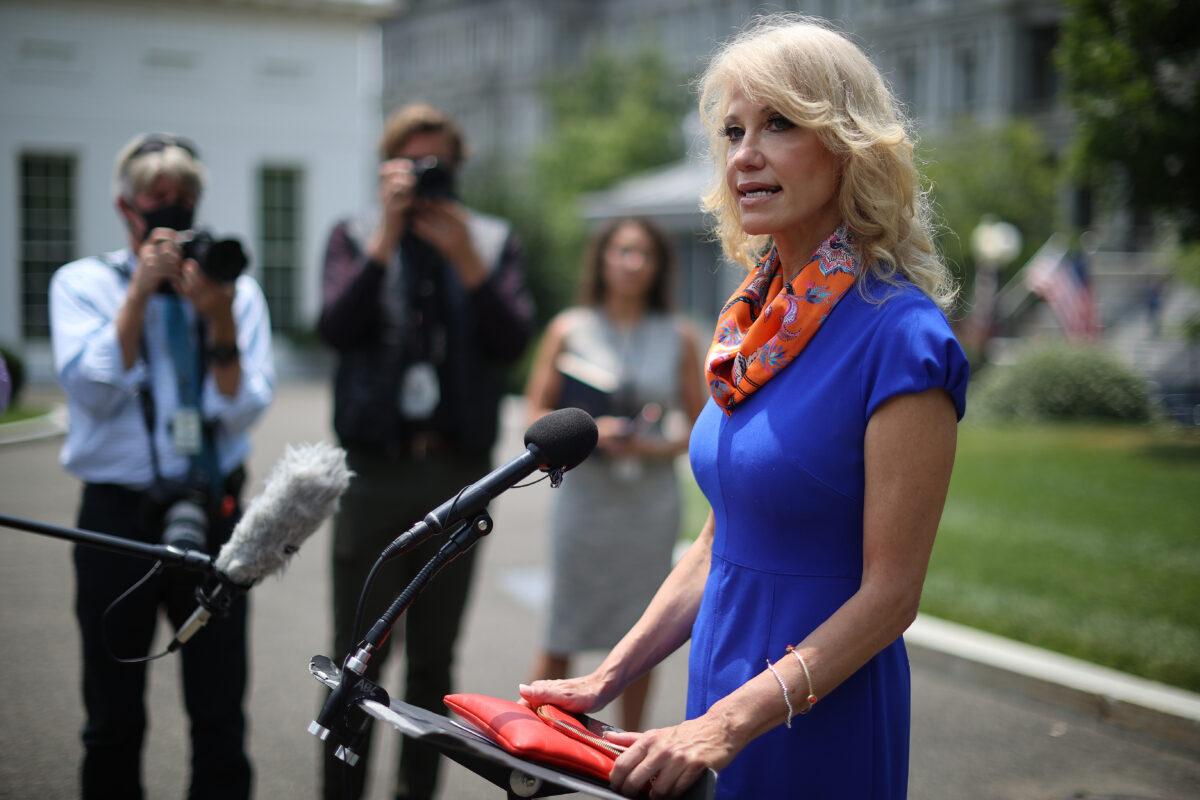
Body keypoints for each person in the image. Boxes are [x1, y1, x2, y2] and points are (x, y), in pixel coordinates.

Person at [519, 17, 969, 799]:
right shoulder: (750, 328)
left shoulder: (902, 337)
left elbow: (892, 596)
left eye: (779, 124)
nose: (744, 154)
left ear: (846, 144)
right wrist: (608, 677)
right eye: (732, 131)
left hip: (813, 712)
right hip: (715, 691)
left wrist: (729, 723)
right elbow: (717, 539)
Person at [317, 103, 534, 800]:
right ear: (387, 167)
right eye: (410, 163)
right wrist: (386, 233)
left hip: (456, 475)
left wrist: (467, 259)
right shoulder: (355, 234)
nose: (424, 177)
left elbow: (511, 342)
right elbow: (336, 328)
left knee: (434, 663)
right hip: (376, 468)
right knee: (358, 657)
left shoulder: (492, 239)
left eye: (435, 163)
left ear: (458, 166)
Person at [48, 133, 275, 800]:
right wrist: (140, 295)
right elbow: (92, 388)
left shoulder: (235, 292)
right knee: (113, 713)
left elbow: (239, 409)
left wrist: (219, 319)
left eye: (187, 202)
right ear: (126, 209)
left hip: (213, 508)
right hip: (118, 513)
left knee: (220, 711)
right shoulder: (83, 283)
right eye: (158, 202)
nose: (173, 215)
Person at [524, 217, 706, 732]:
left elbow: (701, 427)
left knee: (641, 634)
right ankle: (534, 747)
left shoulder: (678, 334)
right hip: (584, 500)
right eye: (623, 251)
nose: (633, 263)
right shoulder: (568, 328)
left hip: (648, 503)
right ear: (603, 259)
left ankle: (625, 749)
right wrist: (590, 434)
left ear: (658, 266)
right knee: (561, 627)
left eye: (645, 254)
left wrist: (655, 445)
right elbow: (533, 415)